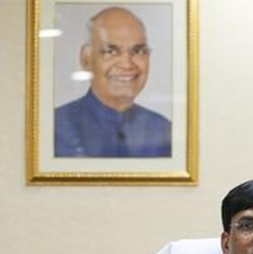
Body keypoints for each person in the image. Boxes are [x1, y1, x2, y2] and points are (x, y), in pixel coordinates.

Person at [54, 7, 172, 158]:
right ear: (86, 59)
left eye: (138, 51)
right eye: (110, 51)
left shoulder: (164, 132)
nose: (127, 64)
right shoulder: (54, 130)